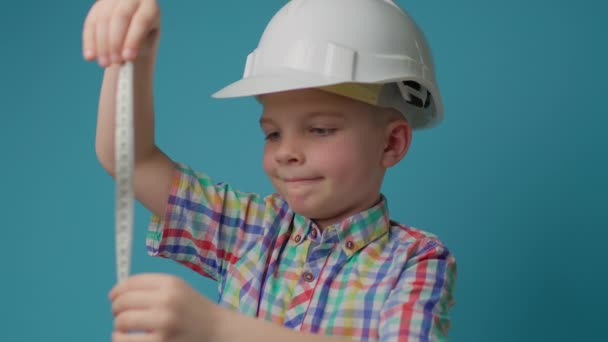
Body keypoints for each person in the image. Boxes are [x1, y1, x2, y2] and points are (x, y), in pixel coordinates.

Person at [83, 0, 457, 341]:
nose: (286, 152)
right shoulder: (250, 231)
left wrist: (216, 327)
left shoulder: (416, 260)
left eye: (320, 129)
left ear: (391, 144)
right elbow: (131, 159)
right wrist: (132, 56)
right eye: (272, 133)